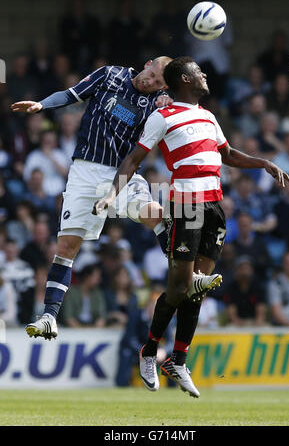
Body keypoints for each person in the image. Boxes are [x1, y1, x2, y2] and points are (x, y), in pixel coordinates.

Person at [93, 56, 289, 397]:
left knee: (196, 290)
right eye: (198, 71)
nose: (204, 74)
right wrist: (112, 194)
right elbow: (133, 160)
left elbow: (227, 155)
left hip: (215, 207)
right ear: (184, 78)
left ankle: (178, 360)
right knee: (180, 286)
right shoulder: (163, 116)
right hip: (186, 206)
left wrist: (264, 163)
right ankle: (150, 350)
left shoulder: (209, 116)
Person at [12, 56, 210, 340]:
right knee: (67, 246)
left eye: (158, 84)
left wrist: (168, 107)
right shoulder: (110, 75)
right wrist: (42, 104)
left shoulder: (159, 102)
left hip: (121, 174)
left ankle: (190, 276)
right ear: (148, 63)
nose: (151, 83)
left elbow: (183, 114)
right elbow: (71, 95)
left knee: (157, 213)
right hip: (84, 170)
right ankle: (49, 317)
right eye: (152, 75)